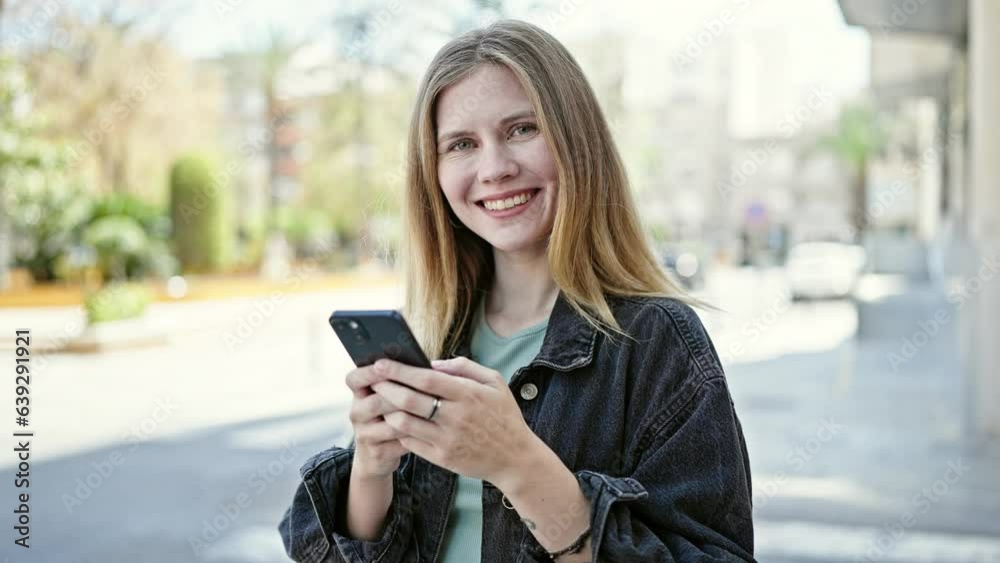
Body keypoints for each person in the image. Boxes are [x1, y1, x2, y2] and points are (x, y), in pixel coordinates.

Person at [278, 19, 754, 563]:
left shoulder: (656, 341)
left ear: (577, 142)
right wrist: (371, 466)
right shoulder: (434, 339)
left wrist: (517, 463)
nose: (495, 169)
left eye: (522, 129)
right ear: (432, 173)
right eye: (461, 144)